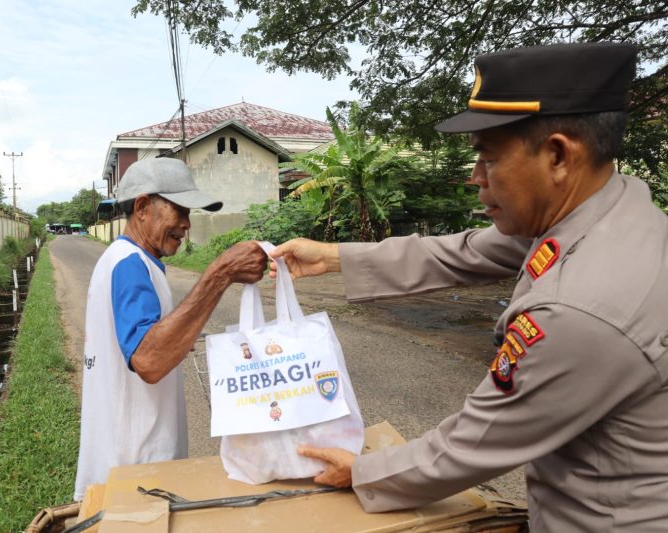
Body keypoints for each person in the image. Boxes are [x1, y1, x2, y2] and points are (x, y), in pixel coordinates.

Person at [270, 42, 668, 531]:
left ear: (559, 155)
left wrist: (364, 471)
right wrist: (333, 257)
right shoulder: (610, 208)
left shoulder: (581, 308)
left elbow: (475, 443)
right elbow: (463, 251)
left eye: (488, 158)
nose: (475, 178)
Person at [73, 158, 266, 501]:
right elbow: (148, 359)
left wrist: (178, 338)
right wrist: (219, 274)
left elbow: (144, 341)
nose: (186, 224)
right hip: (137, 470)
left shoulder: (134, 261)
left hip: (130, 464)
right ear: (144, 207)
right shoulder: (130, 265)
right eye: (179, 210)